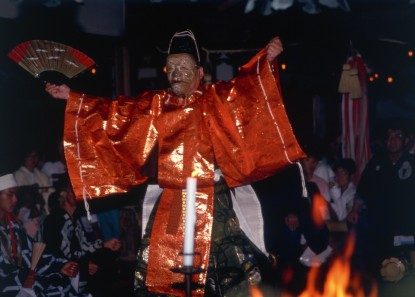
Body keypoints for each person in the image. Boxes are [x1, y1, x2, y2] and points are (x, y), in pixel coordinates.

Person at [45, 29, 305, 296]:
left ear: (200, 72)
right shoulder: (156, 104)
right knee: (163, 275)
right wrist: (71, 97)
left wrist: (266, 60)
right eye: (172, 67)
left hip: (214, 200)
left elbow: (247, 91)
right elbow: (114, 115)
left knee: (232, 274)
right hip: (170, 202)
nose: (177, 72)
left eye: (185, 66)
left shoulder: (216, 99)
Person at [0, 173, 78, 297]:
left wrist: (60, 265)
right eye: (10, 194)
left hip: (25, 280)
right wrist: (24, 277)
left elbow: (33, 253)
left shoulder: (14, 226)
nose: (15, 199)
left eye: (15, 194)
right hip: (8, 288)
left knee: (60, 281)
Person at [352, 122, 415, 275]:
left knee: (397, 267)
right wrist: (354, 209)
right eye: (389, 137)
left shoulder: (412, 162)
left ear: (406, 140)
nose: (392, 141)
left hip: (406, 221)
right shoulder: (376, 161)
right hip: (378, 220)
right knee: (359, 225)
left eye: (397, 136)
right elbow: (363, 190)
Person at [43, 186, 121, 296]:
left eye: (80, 192)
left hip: (75, 275)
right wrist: (83, 266)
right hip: (59, 280)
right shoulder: (55, 218)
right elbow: (56, 254)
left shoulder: (75, 219)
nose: (77, 194)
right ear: (65, 193)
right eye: (73, 190)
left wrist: (105, 244)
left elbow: (82, 247)